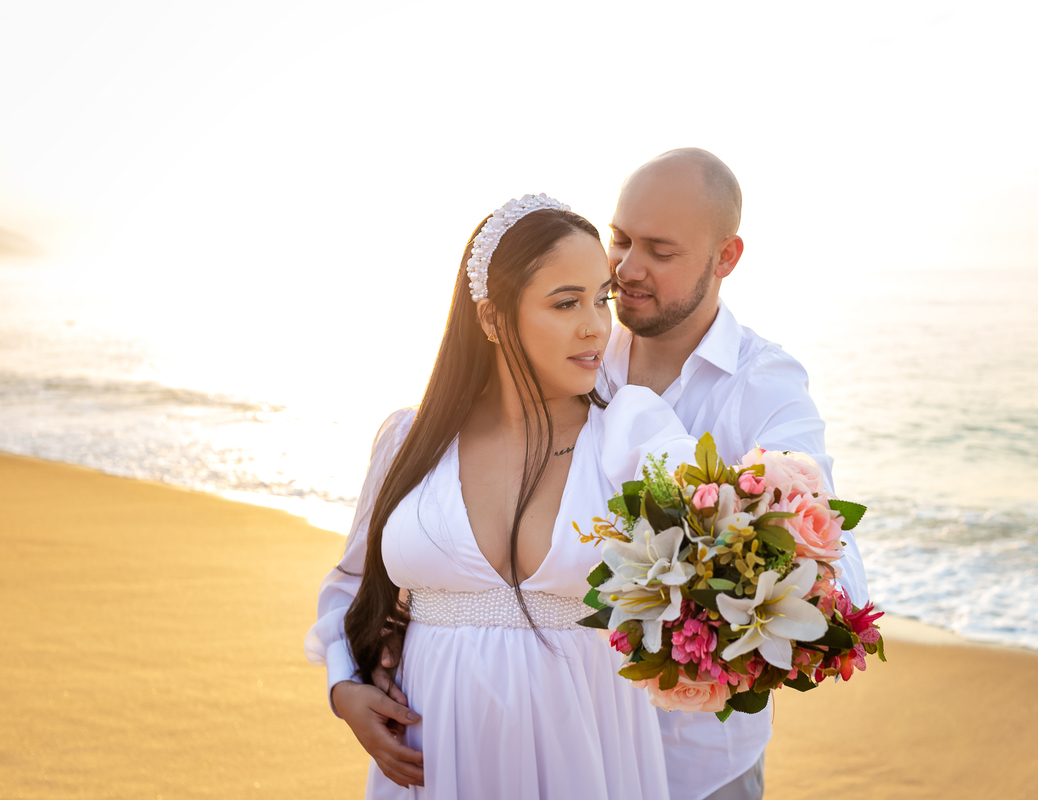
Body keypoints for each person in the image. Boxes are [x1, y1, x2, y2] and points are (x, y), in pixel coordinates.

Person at [304, 194, 698, 798]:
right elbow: (351, 585)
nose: (596, 326)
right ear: (491, 318)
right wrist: (345, 689)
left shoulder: (633, 432)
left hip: (587, 751)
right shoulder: (410, 440)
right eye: (566, 302)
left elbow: (715, 548)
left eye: (602, 298)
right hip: (433, 755)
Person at [600, 148, 869, 800]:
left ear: (726, 257)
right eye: (620, 239)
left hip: (697, 766)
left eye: (660, 251)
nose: (628, 268)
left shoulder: (764, 384)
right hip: (564, 739)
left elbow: (839, 565)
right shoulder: (574, 350)